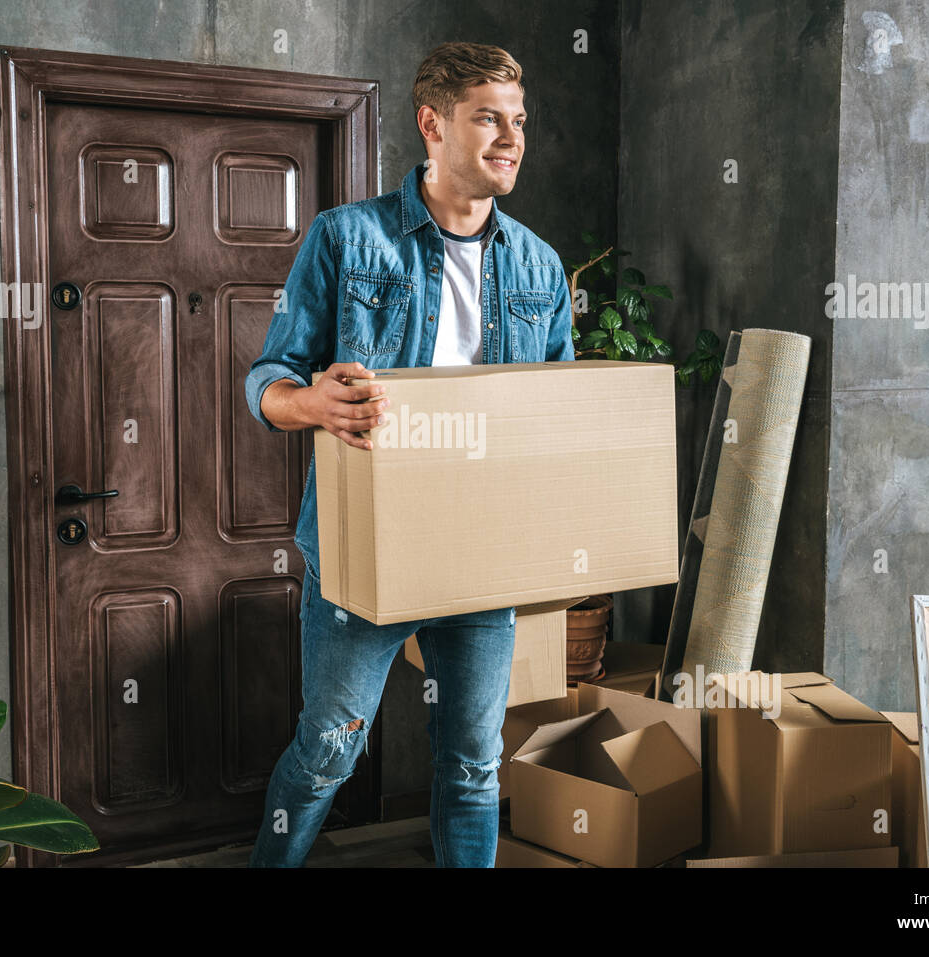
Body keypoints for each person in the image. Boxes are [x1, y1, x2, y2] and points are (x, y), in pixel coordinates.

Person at [244, 40, 573, 867]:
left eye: (519, 121)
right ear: (433, 124)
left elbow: (560, 415)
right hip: (367, 553)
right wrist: (314, 401)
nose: (511, 138)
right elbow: (266, 382)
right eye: (488, 119)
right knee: (327, 750)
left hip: (481, 558)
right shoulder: (347, 240)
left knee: (472, 765)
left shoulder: (539, 266)